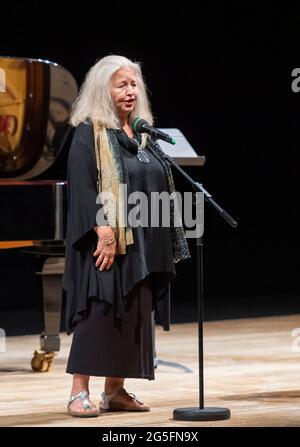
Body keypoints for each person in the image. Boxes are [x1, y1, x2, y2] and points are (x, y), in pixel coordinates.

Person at [63, 55, 191, 417]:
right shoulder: (90, 131)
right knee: (100, 312)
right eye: (122, 84)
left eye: (134, 84)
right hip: (107, 240)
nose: (131, 90)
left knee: (134, 314)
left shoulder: (143, 133)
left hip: (144, 241)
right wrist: (103, 231)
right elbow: (83, 189)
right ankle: (78, 391)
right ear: (104, 91)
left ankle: (115, 390)